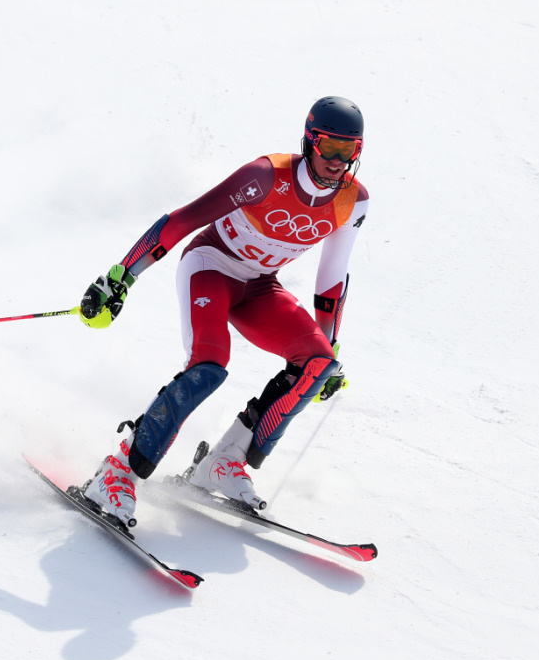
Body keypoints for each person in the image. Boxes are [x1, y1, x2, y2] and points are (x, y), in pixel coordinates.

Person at [77, 96, 370, 527]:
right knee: (208, 366)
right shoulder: (265, 176)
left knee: (318, 363)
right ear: (310, 141)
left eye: (349, 150)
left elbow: (331, 280)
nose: (337, 160)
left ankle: (224, 461)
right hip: (210, 267)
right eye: (329, 146)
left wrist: (329, 342)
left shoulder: (352, 201)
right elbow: (184, 220)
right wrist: (121, 277)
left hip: (259, 287)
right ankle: (117, 471)